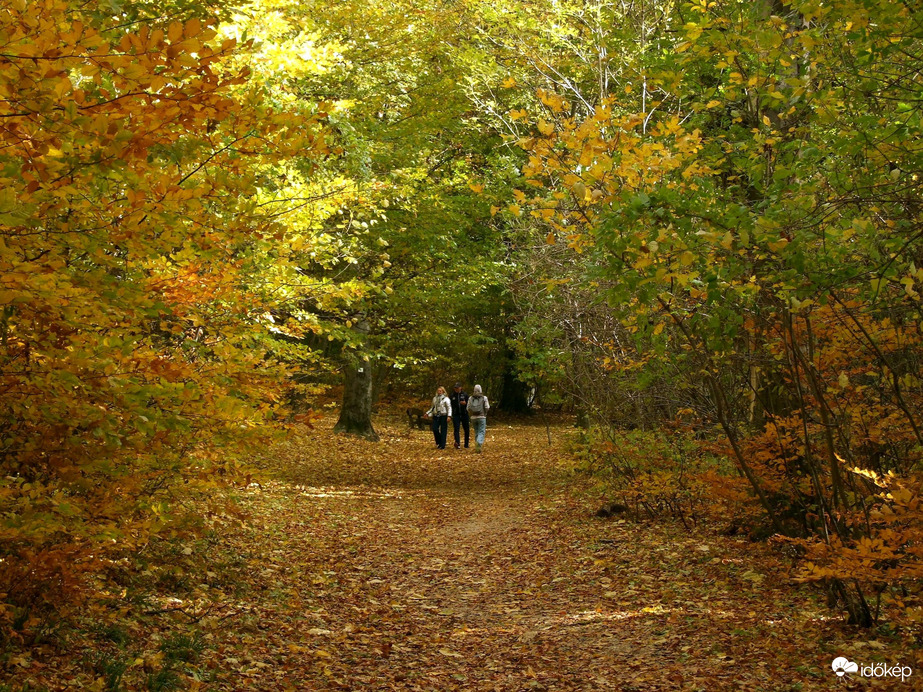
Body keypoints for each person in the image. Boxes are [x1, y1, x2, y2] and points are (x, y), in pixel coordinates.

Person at [467, 384, 490, 452]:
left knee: (476, 431)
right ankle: (479, 443)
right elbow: (487, 407)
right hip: (482, 417)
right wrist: (485, 413)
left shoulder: (470, 398)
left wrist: (471, 414)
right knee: (481, 431)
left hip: (473, 417)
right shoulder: (484, 398)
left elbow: (468, 408)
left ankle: (477, 445)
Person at [450, 382, 470, 449]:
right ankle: (457, 443)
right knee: (456, 428)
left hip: (464, 413)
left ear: (460, 388)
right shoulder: (452, 395)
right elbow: (450, 405)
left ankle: (466, 444)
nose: (456, 389)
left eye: (457, 388)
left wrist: (465, 403)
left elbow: (469, 404)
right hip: (456, 414)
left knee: (466, 429)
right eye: (455, 388)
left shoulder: (465, 395)